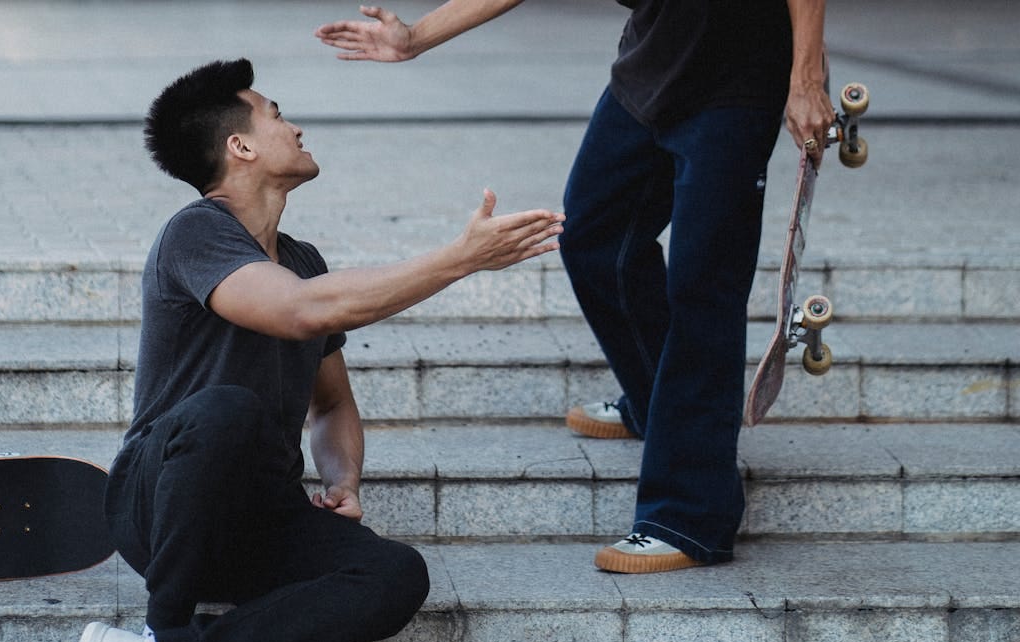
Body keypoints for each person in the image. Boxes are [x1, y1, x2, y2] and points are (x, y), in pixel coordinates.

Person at [48, 58, 564, 642]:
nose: (295, 125)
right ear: (241, 146)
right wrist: (458, 258)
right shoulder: (194, 233)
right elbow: (294, 312)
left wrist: (342, 479)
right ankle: (165, 622)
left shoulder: (304, 259)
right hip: (158, 498)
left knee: (393, 575)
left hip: (258, 512)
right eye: (276, 114)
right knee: (225, 408)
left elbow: (330, 407)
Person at [316, 1, 833, 574]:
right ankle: (655, 403)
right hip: (651, 68)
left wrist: (806, 75)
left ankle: (691, 515)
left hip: (735, 80)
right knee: (593, 237)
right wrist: (416, 37)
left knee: (703, 289)